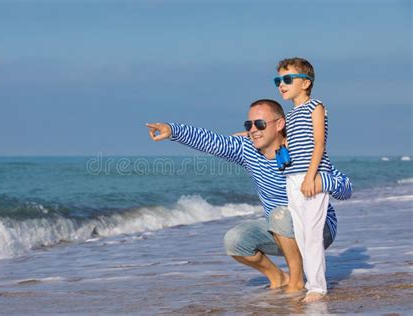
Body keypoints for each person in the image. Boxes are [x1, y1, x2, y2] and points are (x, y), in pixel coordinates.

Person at [146, 99, 352, 302]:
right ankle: (279, 277)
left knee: (280, 215)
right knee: (235, 240)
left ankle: (297, 282)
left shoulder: (301, 150)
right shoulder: (248, 150)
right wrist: (172, 130)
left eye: (260, 124)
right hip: (279, 228)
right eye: (249, 125)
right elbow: (212, 142)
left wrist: (321, 181)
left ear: (280, 124)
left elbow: (345, 187)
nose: (253, 129)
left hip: (318, 228)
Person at [274, 57, 332, 302]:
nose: (281, 84)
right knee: (300, 233)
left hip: (312, 176)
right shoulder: (291, 114)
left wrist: (310, 178)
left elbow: (319, 143)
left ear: (306, 83)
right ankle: (312, 283)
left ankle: (318, 288)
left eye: (287, 79)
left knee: (312, 231)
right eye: (278, 80)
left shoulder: (315, 106)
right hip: (293, 178)